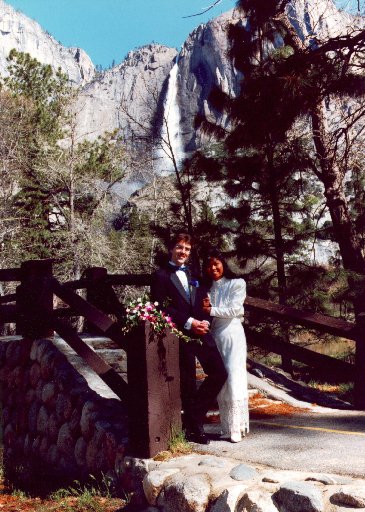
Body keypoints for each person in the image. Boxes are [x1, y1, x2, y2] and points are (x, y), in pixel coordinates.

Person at [151, 233, 227, 444]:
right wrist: (189, 322)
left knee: (220, 373)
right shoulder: (161, 276)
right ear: (171, 249)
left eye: (186, 249)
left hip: (202, 331)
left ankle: (192, 417)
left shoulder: (194, 273)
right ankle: (195, 429)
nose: (183, 252)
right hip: (179, 334)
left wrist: (204, 322)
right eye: (179, 247)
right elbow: (161, 307)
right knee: (187, 383)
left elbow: (203, 301)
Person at [202, 250, 249, 443]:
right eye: (209, 266)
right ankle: (226, 426)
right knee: (220, 378)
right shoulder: (207, 289)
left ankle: (238, 425)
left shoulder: (237, 283)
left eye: (216, 264)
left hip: (233, 334)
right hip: (215, 335)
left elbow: (235, 309)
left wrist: (211, 309)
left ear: (223, 263)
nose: (213, 268)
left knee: (233, 375)